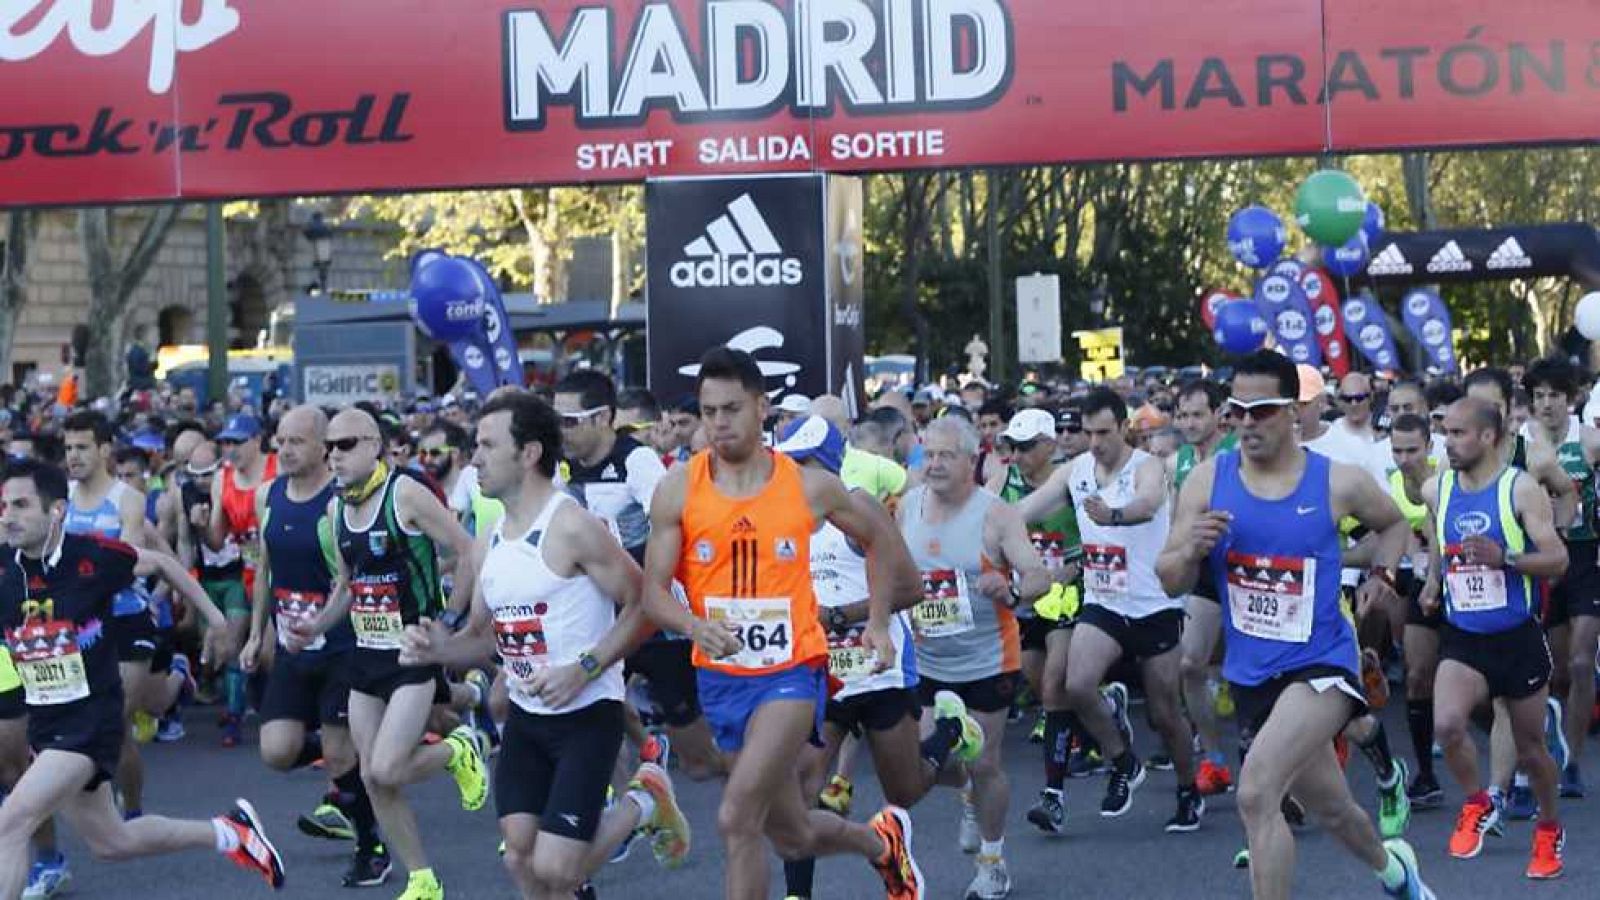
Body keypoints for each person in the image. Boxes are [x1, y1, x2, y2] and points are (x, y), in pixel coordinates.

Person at [639, 347, 925, 900]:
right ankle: (882, 844)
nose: (719, 423)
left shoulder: (806, 487)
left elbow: (879, 541)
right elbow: (652, 593)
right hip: (721, 676)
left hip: (792, 671)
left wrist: (881, 622)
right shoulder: (678, 489)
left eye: (731, 409)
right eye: (708, 411)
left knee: (735, 817)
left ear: (761, 408)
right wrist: (695, 626)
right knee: (790, 834)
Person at [1156, 350, 1433, 900]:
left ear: (1293, 412)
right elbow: (1168, 578)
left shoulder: (1337, 482)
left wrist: (1384, 572)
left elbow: (1394, 521)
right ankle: (1397, 873)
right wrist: (1190, 548)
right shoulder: (1210, 480)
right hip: (1253, 672)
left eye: (1262, 410)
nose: (1246, 422)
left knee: (1257, 792)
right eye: (1238, 410)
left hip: (1323, 661)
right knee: (1334, 809)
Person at [399, 391, 692, 899]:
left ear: (530, 453)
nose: (475, 458)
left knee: (557, 869)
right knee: (518, 854)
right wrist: (434, 650)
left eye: (488, 446)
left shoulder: (572, 525)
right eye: (474, 445)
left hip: (586, 713)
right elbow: (478, 638)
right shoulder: (489, 539)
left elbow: (644, 604)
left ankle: (644, 799)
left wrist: (584, 667)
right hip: (527, 716)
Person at [0, 459, 284, 896]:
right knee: (112, 842)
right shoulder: (5, 568)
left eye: (20, 505)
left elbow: (165, 566)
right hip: (46, 723)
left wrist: (216, 622)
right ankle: (231, 833)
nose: (8, 516)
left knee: (11, 822)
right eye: (3, 506)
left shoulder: (92, 557)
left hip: (91, 721)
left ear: (55, 510)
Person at [283, 406, 488, 900]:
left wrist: (449, 622)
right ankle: (422, 879)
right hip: (364, 654)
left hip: (412, 654)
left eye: (346, 445)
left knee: (386, 768)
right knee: (372, 777)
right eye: (329, 447)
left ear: (376, 444)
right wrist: (316, 624)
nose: (335, 456)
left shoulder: (406, 494)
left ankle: (459, 748)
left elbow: (469, 548)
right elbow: (346, 586)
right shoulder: (336, 509)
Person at [776, 415, 984, 900]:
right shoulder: (780, 520)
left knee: (905, 789)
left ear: (828, 466)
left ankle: (952, 731)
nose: (794, 475)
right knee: (801, 790)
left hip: (879, 669)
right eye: (787, 464)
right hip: (819, 673)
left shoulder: (857, 508)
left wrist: (840, 615)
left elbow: (911, 588)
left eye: (804, 464)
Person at [900, 415, 1051, 899]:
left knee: (985, 762)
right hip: (927, 660)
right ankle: (967, 791)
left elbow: (1038, 578)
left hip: (988, 658)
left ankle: (992, 861)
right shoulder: (907, 507)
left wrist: (1009, 590)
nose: (936, 464)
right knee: (925, 765)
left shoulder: (996, 514)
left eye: (948, 455)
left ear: (972, 460)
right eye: (930, 454)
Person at [240, 406, 392, 887]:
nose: (284, 450)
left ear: (324, 447)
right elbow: (264, 569)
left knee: (340, 754)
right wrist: (255, 633)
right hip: (291, 646)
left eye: (296, 442)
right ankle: (352, 760)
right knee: (277, 751)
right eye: (279, 441)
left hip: (342, 646)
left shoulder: (339, 500)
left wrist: (326, 620)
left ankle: (371, 844)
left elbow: (348, 580)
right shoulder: (269, 495)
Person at [554, 369, 724, 784]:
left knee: (700, 763)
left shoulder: (636, 460)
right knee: (580, 714)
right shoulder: (561, 466)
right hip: (597, 617)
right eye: (556, 420)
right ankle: (615, 804)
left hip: (654, 618)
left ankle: (761, 788)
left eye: (571, 421)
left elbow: (678, 530)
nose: (563, 430)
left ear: (603, 418)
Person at [1421, 397, 1567, 879]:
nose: (1449, 441)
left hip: (1517, 637)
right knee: (1447, 724)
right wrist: (1432, 583)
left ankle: (1548, 830)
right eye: (1445, 431)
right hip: (1464, 636)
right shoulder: (1438, 488)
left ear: (1488, 437)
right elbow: (1438, 536)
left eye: (1459, 433)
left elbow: (1557, 559)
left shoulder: (1520, 489)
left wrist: (1505, 557)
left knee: (1531, 750)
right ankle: (1478, 802)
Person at [984, 409, 1083, 835]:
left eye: (1027, 447)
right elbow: (982, 525)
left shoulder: (1073, 480)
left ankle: (1053, 795)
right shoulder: (1002, 482)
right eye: (1013, 447)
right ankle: (1105, 707)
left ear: (1049, 445)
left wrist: (1078, 570)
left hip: (1067, 592)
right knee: (1035, 676)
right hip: (1025, 597)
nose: (1018, 455)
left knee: (1055, 685)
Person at [1521, 356, 1600, 797]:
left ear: (1571, 399)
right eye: (1539, 396)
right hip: (1544, 561)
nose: (1546, 404)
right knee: (1555, 672)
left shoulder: (1589, 442)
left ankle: (1572, 761)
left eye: (1554, 395)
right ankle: (1549, 746)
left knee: (1583, 661)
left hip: (1587, 557)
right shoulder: (1520, 444)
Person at [1169, 379, 1237, 796]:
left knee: (1259, 672)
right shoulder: (1180, 459)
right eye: (1183, 415)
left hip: (1246, 568)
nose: (1190, 423)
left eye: (1198, 414)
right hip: (1204, 570)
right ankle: (1214, 759)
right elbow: (1177, 517)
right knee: (1190, 664)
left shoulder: (1238, 451)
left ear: (1218, 414)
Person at [204, 413, 278, 746]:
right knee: (233, 643)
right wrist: (203, 522)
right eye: (226, 442)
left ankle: (281, 711)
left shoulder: (278, 468)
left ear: (257, 441)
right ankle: (235, 717)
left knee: (270, 653)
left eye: (237, 442)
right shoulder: (223, 479)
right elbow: (217, 540)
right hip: (247, 570)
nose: (230, 449)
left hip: (283, 570)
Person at [1386, 414, 1445, 808]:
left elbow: (1438, 525)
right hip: (1417, 583)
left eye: (1412, 450)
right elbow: (1393, 530)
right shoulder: (1392, 482)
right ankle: (1426, 775)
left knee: (1484, 691)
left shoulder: (1445, 477)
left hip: (1456, 582)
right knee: (1417, 675)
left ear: (1429, 446)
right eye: (1397, 450)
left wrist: (1433, 573)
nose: (1405, 458)